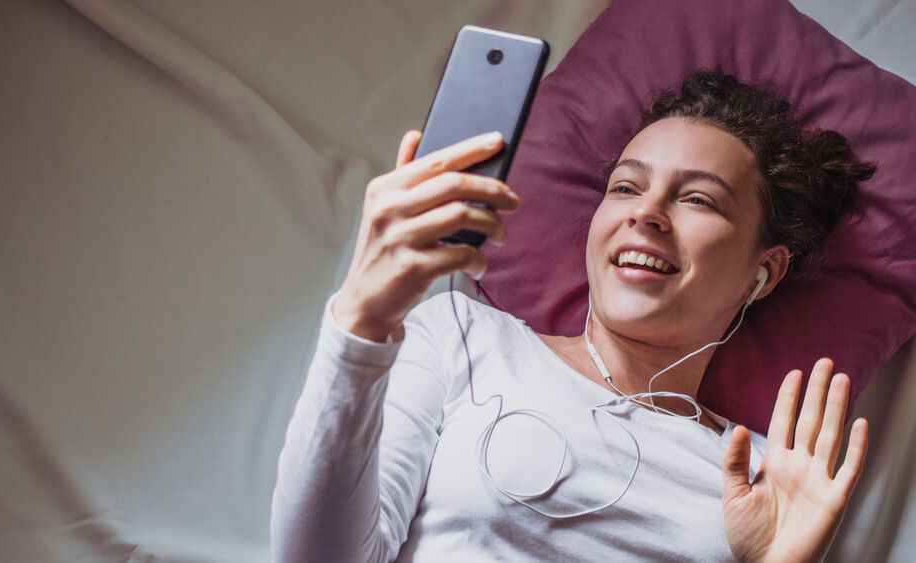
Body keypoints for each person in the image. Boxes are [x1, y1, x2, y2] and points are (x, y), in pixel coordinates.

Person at [271, 71, 875, 561]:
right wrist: (358, 324)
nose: (648, 213)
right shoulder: (462, 335)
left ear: (763, 273)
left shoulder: (775, 479)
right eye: (625, 188)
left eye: (697, 199)